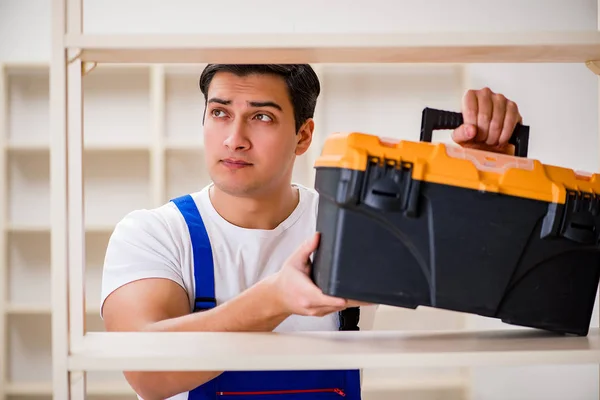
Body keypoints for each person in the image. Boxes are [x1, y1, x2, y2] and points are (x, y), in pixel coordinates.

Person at [100, 64, 523, 400]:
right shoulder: (154, 233)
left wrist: (480, 176)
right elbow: (149, 377)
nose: (234, 138)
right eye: (220, 112)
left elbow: (474, 268)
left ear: (303, 136)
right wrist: (275, 299)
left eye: (261, 116)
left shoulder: (354, 223)